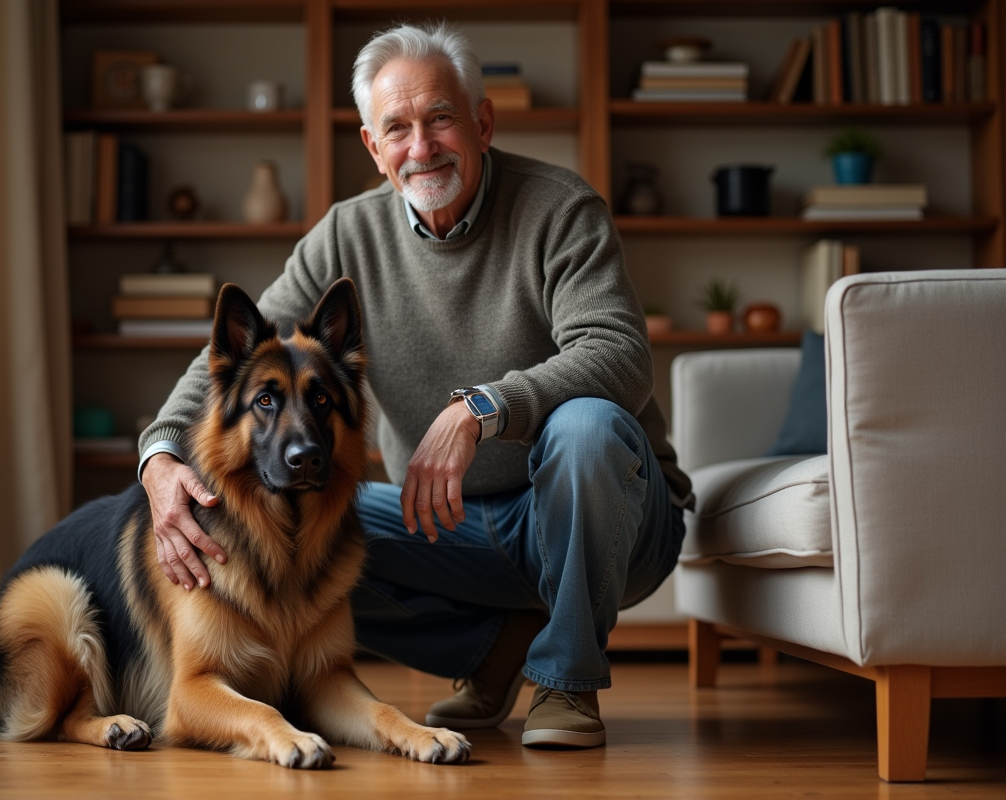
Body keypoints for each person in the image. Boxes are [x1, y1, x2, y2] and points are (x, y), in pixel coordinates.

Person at [137, 22, 693, 750]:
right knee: (291, 539)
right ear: (373, 147)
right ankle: (495, 652)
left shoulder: (560, 208)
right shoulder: (345, 235)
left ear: (482, 122)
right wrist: (160, 456)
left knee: (584, 426)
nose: (421, 147)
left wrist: (481, 410)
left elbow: (619, 354)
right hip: (453, 524)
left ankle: (568, 680)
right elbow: (241, 363)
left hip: (611, 513)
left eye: (440, 119)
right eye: (396, 128)